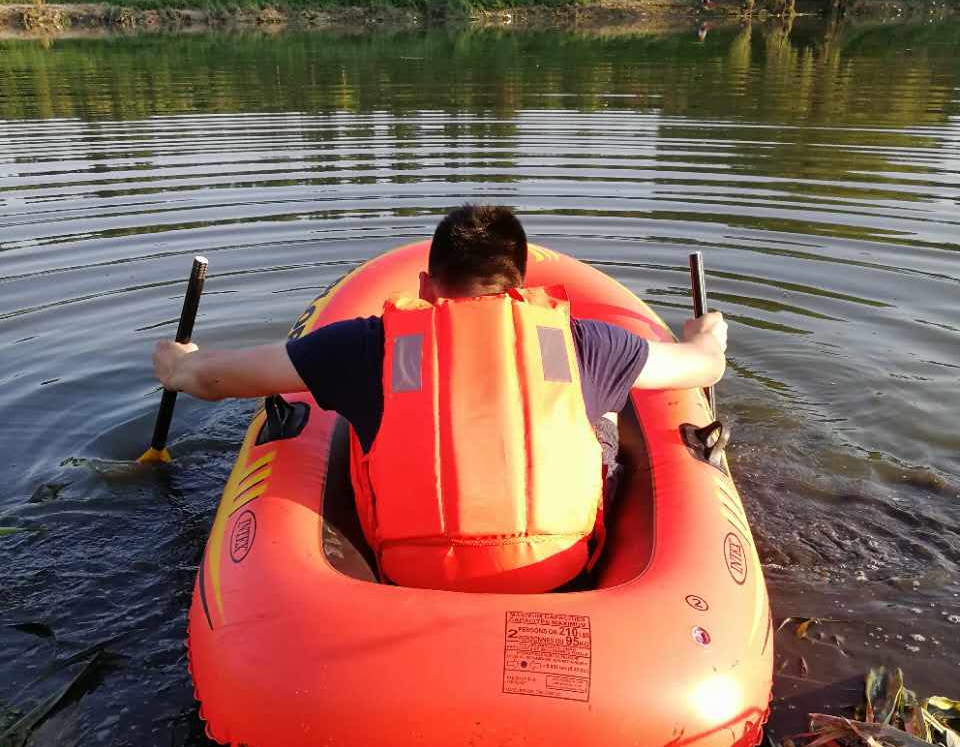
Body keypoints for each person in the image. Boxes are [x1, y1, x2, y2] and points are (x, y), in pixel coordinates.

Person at [153, 205, 726, 593]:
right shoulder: (584, 343)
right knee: (601, 416)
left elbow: (217, 379)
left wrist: (179, 365)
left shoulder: (365, 347)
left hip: (409, 575)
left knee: (358, 420)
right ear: (520, 288)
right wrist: (707, 337)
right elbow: (703, 367)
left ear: (426, 287)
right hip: (558, 574)